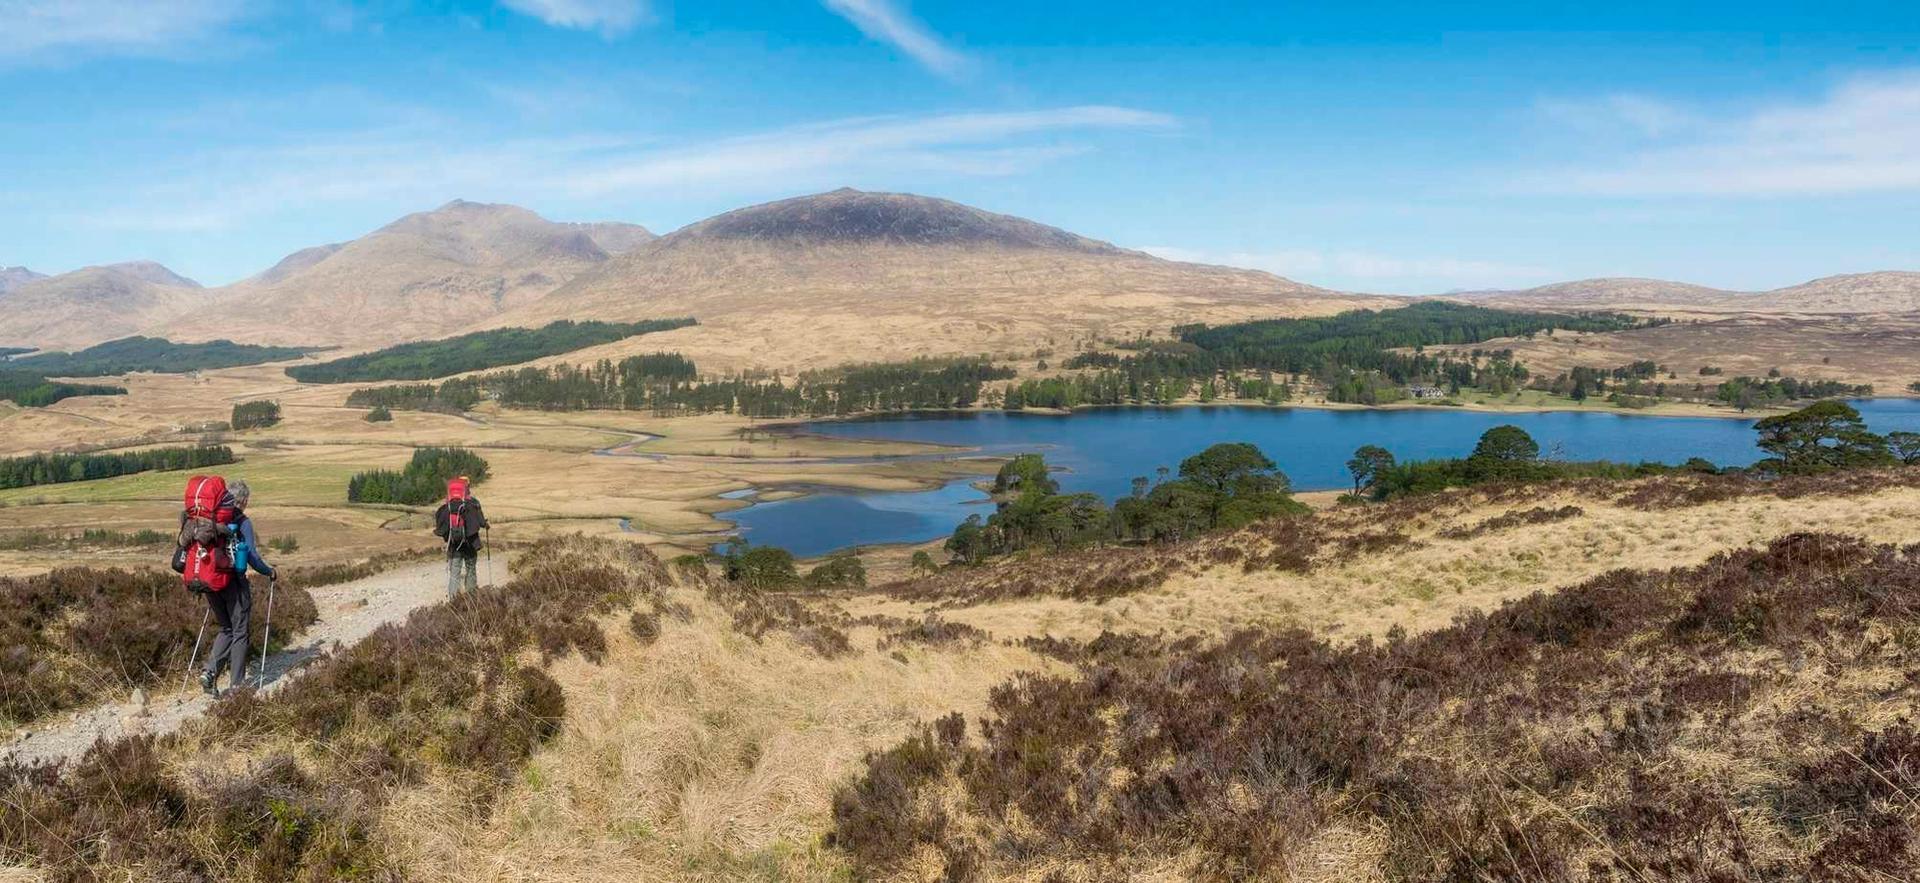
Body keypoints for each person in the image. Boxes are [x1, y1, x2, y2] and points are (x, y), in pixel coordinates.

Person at [201, 480, 276, 696]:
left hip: (210, 581)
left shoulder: (210, 517)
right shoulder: (242, 521)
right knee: (240, 632)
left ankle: (209, 672)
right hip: (234, 583)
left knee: (226, 628)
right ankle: (237, 687)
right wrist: (269, 571)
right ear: (243, 500)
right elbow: (251, 555)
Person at [433, 476, 488, 598]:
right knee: (471, 568)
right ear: (467, 487)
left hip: (454, 544)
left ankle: (453, 600)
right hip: (470, 543)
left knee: (454, 572)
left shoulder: (448, 505)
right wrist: (486, 524)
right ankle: (472, 597)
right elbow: (481, 522)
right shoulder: (474, 502)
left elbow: (442, 523)